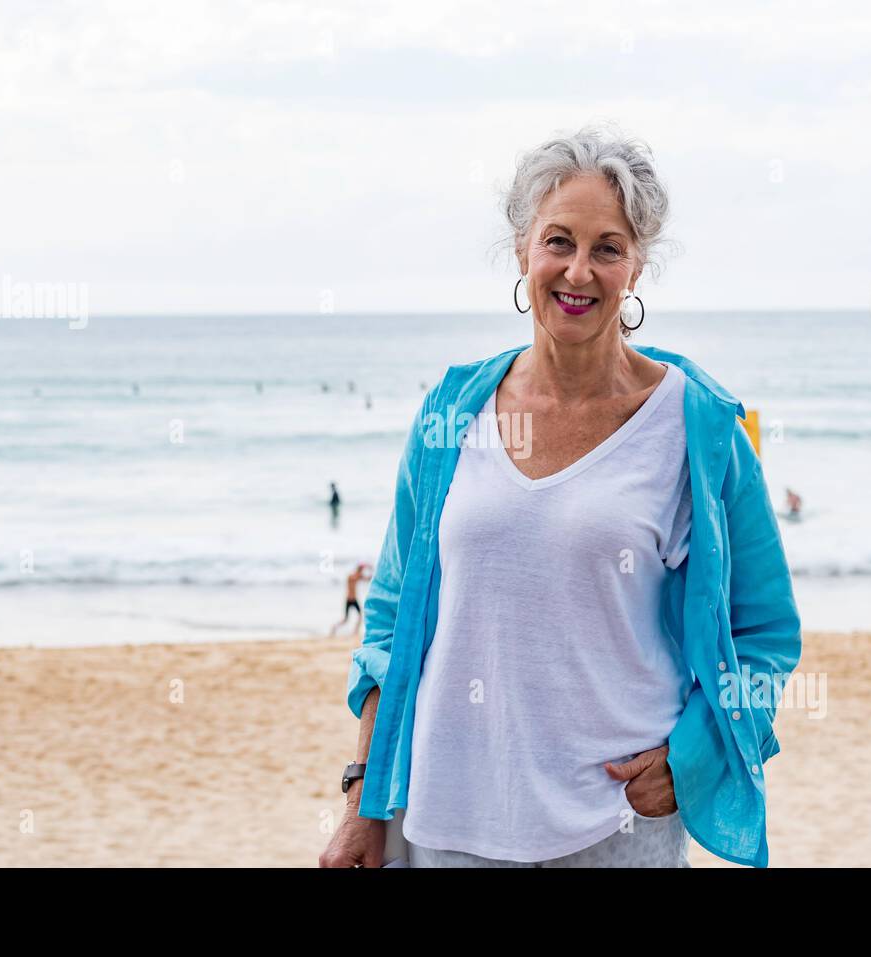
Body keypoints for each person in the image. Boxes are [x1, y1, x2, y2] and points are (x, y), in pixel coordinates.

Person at [319, 124, 800, 870]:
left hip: (614, 829)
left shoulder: (695, 427)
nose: (579, 270)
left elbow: (763, 630)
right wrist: (359, 804)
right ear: (521, 251)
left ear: (637, 265)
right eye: (558, 242)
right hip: (442, 824)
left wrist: (694, 755)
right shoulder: (452, 412)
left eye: (607, 247)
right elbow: (388, 622)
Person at [330, 563, 372, 638]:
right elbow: (355, 578)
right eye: (361, 570)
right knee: (346, 619)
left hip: (355, 599)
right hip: (349, 600)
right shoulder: (351, 576)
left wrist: (371, 569)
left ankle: (355, 632)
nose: (362, 572)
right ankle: (334, 627)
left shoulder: (358, 576)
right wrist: (363, 569)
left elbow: (369, 579)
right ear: (359, 570)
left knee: (360, 616)